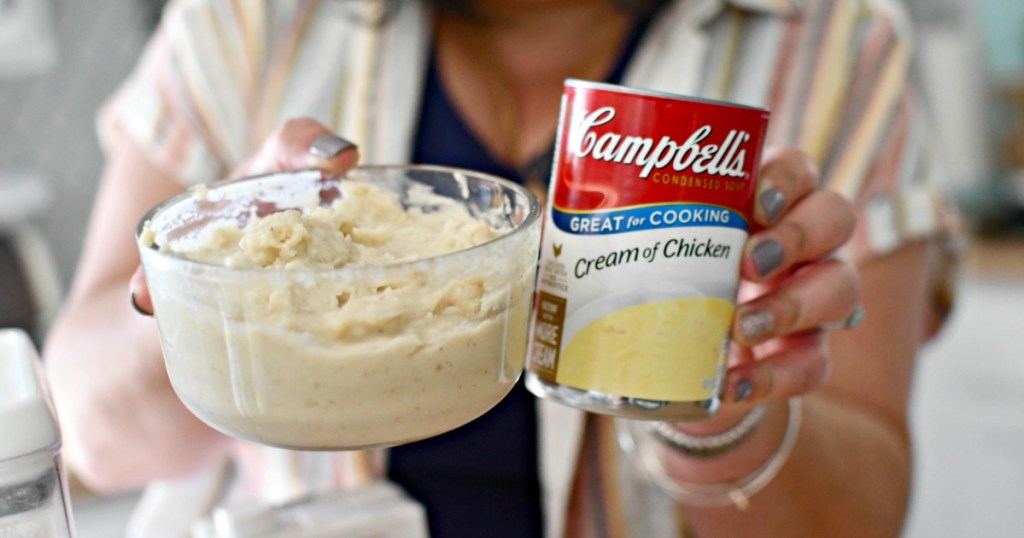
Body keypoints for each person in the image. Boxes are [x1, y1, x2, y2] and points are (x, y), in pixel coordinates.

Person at [42, 0, 960, 536]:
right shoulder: (252, 19)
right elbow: (89, 432)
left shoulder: (835, 43)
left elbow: (862, 514)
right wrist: (213, 283)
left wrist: (723, 412)